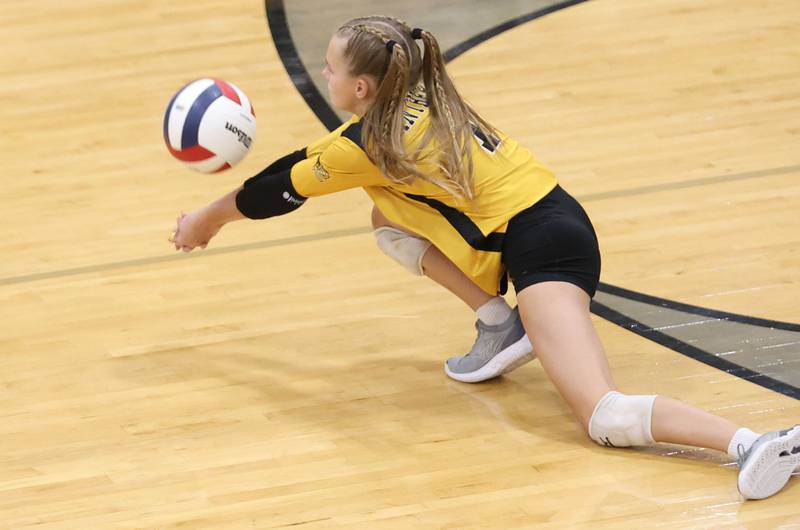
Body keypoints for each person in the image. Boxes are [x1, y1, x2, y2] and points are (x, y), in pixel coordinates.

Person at [170, 16, 800, 500]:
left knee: (603, 416)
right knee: (386, 215)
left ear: (360, 87)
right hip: (553, 216)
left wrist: (204, 220)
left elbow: (273, 192)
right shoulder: (416, 91)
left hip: (543, 249)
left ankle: (751, 443)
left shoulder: (370, 143)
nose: (323, 78)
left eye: (329, 70)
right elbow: (305, 160)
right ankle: (501, 324)